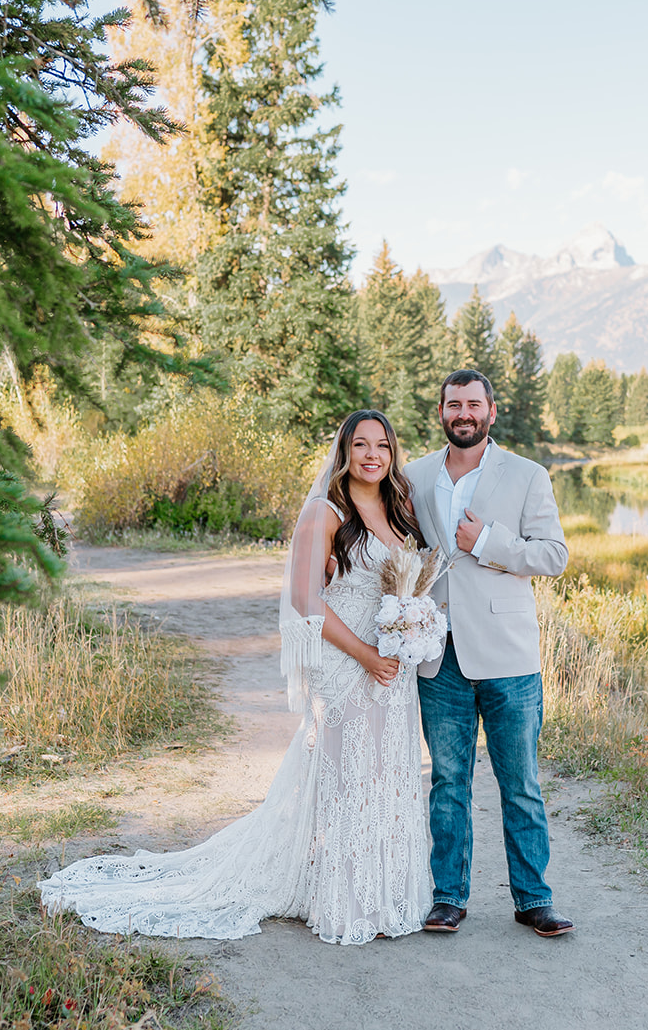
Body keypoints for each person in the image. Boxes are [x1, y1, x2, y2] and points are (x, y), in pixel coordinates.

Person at [38, 410, 434, 945]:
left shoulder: (400, 508)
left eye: (382, 446)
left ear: (392, 452)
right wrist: (365, 654)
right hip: (348, 665)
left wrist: (411, 633)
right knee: (344, 780)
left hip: (393, 670)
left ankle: (383, 893)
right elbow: (305, 599)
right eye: (360, 445)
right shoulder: (326, 511)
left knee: (385, 776)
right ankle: (344, 901)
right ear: (343, 452)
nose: (372, 455)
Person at [403, 369, 574, 937]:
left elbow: (553, 555)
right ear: (442, 412)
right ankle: (448, 897)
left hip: (509, 658)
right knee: (448, 782)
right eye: (454, 405)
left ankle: (533, 899)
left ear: (491, 411)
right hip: (439, 656)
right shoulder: (416, 475)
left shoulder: (528, 476)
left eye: (473, 404)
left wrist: (491, 543)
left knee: (519, 782)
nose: (463, 414)